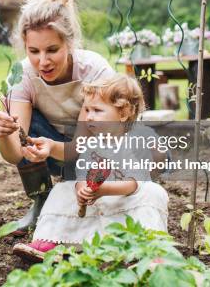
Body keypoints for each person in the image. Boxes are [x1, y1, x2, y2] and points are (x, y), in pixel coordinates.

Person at [0, 0, 115, 234]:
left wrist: (51, 147)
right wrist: (4, 134)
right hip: (51, 150)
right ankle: (42, 200)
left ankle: (97, 194)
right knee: (25, 125)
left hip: (94, 149)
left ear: (70, 43)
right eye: (33, 51)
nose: (43, 61)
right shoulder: (22, 75)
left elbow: (81, 146)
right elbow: (16, 154)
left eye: (52, 50)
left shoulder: (94, 70)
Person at [12, 75, 169, 262]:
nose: (89, 117)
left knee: (153, 192)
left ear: (124, 113)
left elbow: (134, 183)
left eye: (97, 110)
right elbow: (82, 174)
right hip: (97, 201)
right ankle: (49, 240)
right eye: (86, 109)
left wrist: (104, 190)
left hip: (125, 201)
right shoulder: (91, 142)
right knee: (62, 190)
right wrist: (81, 189)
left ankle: (151, 249)